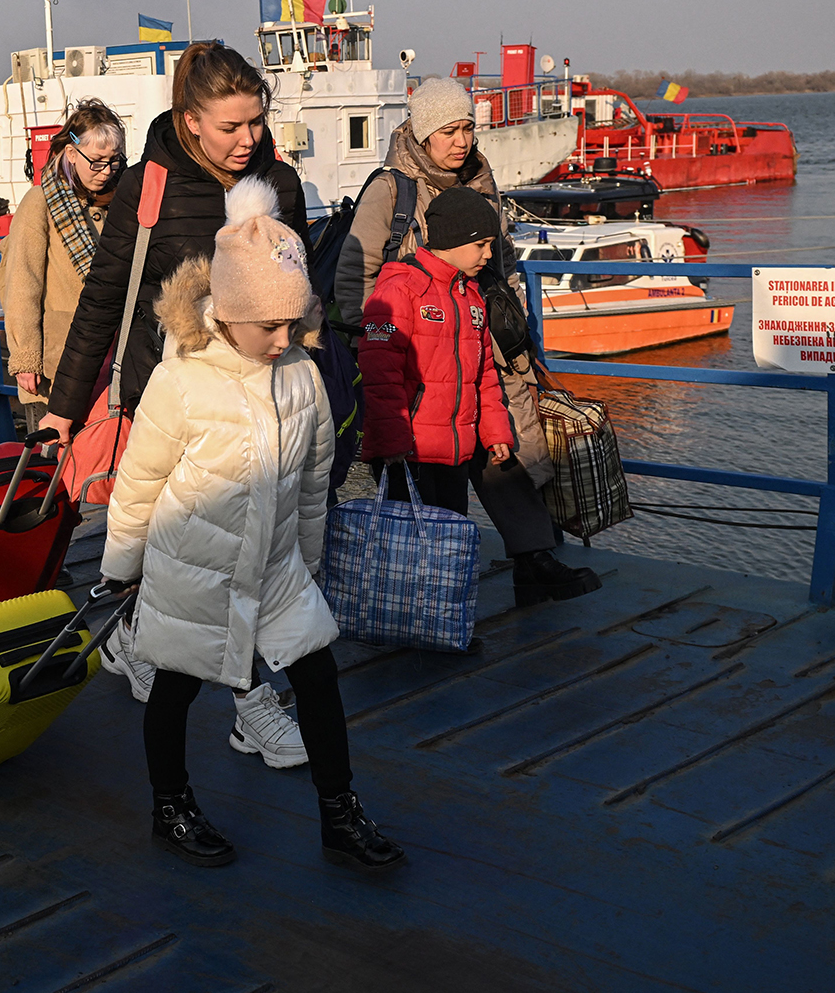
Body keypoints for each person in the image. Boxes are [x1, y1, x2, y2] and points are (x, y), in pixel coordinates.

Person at [102, 181, 405, 873]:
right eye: (268, 326)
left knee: (318, 675)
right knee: (176, 684)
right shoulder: (181, 382)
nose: (283, 340)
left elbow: (312, 483)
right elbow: (140, 482)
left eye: (291, 324)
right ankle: (170, 805)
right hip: (193, 565)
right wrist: (122, 566)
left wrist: (309, 560)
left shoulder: (300, 377)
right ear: (230, 312)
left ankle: (339, 812)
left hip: (275, 565)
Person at [38, 44, 310, 759]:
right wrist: (65, 407)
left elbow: (298, 295)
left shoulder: (280, 182)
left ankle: (147, 645)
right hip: (175, 402)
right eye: (230, 126)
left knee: (249, 555)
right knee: (202, 558)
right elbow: (103, 298)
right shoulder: (147, 186)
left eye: (256, 122)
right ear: (190, 120)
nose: (247, 139)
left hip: (263, 402)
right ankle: (245, 699)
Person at [333, 79, 601, 606]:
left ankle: (533, 558)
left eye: (468, 128)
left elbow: (502, 261)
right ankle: (431, 586)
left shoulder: (481, 177)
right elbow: (354, 273)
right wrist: (383, 337)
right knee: (432, 472)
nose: (462, 141)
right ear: (423, 134)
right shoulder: (391, 189)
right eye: (449, 131)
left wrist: (513, 324)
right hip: (418, 353)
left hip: (483, 339)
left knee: (507, 445)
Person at [0, 99, 124, 429]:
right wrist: (26, 357)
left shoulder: (121, 202)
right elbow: (21, 282)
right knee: (55, 452)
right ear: (71, 153)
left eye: (113, 161)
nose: (106, 171)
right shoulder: (40, 202)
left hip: (113, 359)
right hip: (56, 364)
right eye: (96, 162)